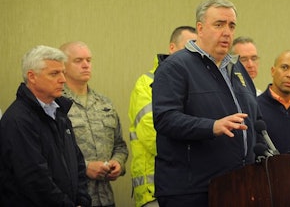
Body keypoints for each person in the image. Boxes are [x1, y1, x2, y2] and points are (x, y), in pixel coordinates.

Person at [152, 0, 261, 207]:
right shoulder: (175, 66)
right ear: (200, 29)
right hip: (191, 191)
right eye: (219, 25)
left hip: (238, 185)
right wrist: (212, 126)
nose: (227, 32)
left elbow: (256, 121)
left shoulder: (237, 70)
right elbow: (165, 119)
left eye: (231, 25)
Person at [0, 45, 91, 206]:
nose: (63, 79)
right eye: (54, 73)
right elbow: (35, 180)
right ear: (32, 77)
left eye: (63, 72)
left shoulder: (60, 112)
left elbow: (78, 163)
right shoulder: (18, 120)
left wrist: (83, 201)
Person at [128, 26, 197, 207]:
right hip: (155, 189)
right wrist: (197, 153)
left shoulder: (195, 83)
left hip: (189, 187)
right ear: (172, 48)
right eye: (188, 48)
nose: (192, 55)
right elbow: (153, 135)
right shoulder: (147, 83)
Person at [60, 41, 128, 207]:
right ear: (63, 66)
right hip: (73, 198)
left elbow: (120, 145)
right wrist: (85, 167)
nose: (86, 65)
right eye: (78, 61)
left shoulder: (104, 103)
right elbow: (51, 154)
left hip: (106, 198)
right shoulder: (56, 104)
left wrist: (118, 163)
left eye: (89, 60)